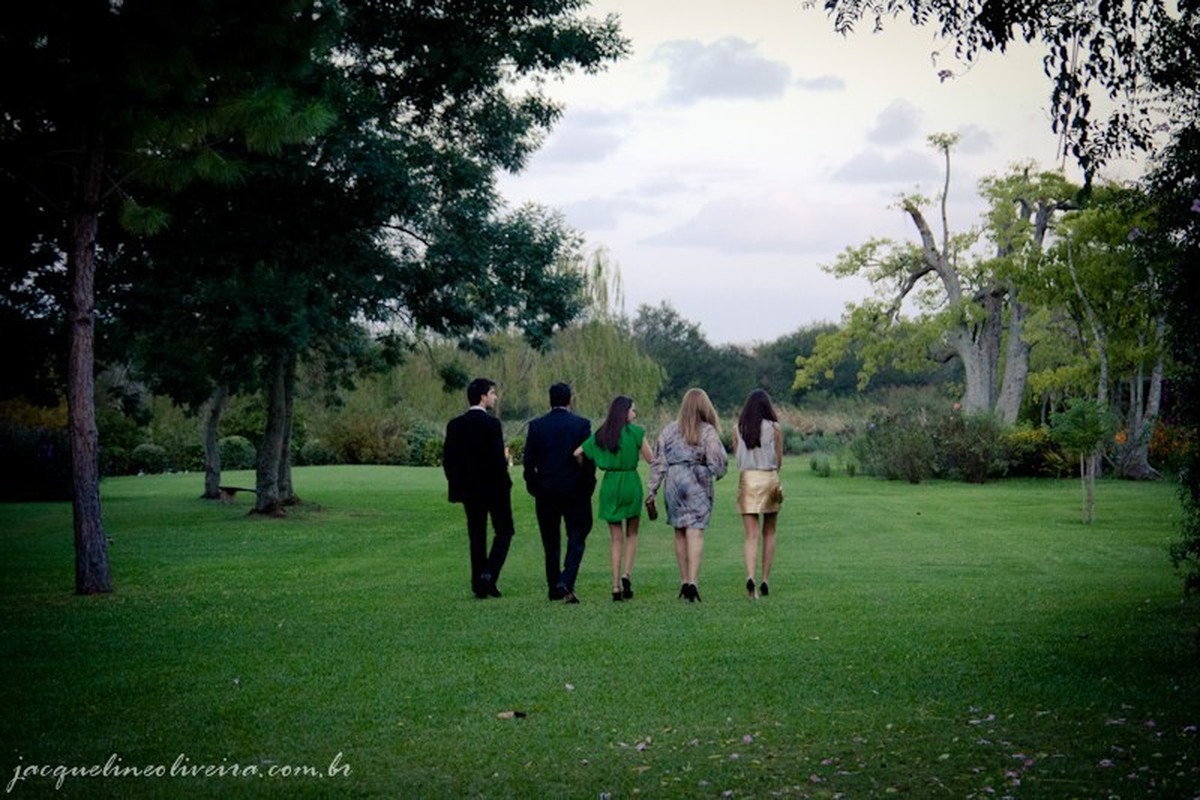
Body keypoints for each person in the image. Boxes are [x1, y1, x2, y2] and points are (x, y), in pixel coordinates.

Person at [647, 388, 727, 602]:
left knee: (679, 531)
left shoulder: (669, 430)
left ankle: (684, 580)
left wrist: (652, 490)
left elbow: (658, 462)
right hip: (698, 481)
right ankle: (693, 581)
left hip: (674, 481)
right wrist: (718, 472)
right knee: (695, 531)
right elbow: (717, 461)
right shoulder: (707, 431)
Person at [576, 395, 653, 602]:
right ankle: (626, 573)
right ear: (625, 412)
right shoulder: (636, 433)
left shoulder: (602, 434)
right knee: (632, 534)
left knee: (615, 538)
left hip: (610, 484)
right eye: (633, 410)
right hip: (630, 482)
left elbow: (577, 452)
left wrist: (586, 467)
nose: (635, 414)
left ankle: (615, 586)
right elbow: (651, 458)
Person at [523, 383, 595, 603]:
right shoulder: (581, 425)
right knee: (577, 536)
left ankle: (554, 586)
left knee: (550, 542)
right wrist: (588, 484)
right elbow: (588, 461)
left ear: (550, 400)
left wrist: (534, 486)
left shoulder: (537, 426)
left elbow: (528, 462)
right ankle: (566, 579)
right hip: (575, 491)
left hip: (546, 492)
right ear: (569, 400)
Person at [442, 377, 514, 599]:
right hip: (493, 489)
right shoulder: (492, 424)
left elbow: (448, 459)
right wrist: (506, 482)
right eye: (492, 393)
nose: (494, 397)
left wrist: (457, 484)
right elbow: (497, 460)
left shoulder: (455, 425)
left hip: (469, 491)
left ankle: (478, 582)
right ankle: (489, 575)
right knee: (504, 530)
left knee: (477, 535)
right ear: (483, 396)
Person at [734, 389, 784, 599]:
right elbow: (779, 459)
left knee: (751, 535)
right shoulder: (775, 428)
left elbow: (737, 459)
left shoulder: (739, 428)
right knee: (769, 531)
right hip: (769, 477)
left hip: (748, 479)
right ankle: (764, 578)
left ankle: (750, 576)